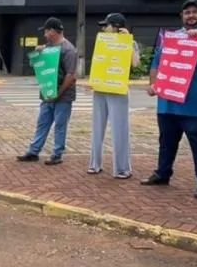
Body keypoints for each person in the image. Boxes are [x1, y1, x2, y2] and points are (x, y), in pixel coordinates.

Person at [141, 0, 197, 198]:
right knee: (166, 141)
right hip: (168, 103)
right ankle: (162, 173)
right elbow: (157, 63)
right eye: (187, 12)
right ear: (182, 16)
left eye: (196, 12)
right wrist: (154, 85)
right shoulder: (171, 36)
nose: (191, 16)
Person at [17, 17, 78, 165]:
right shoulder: (48, 47)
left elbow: (71, 75)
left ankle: (57, 154)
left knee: (59, 125)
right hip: (47, 92)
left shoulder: (68, 50)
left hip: (63, 96)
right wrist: (38, 53)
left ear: (52, 31)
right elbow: (36, 65)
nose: (44, 34)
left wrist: (58, 93)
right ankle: (33, 151)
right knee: (43, 123)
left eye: (46, 31)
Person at [87, 13, 141, 179]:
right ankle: (94, 164)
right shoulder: (103, 41)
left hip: (118, 89)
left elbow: (135, 63)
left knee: (120, 128)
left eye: (107, 25)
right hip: (101, 87)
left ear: (116, 26)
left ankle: (122, 168)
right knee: (97, 127)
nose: (104, 28)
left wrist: (128, 43)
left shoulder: (130, 42)